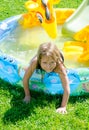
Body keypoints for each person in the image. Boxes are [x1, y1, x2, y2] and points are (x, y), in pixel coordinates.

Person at [23, 42, 70, 114]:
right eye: (45, 63)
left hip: (58, 55)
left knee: (62, 68)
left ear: (56, 61)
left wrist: (63, 106)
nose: (48, 66)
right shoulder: (36, 62)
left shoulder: (59, 66)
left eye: (52, 62)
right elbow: (25, 79)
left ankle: (53, 58)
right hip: (38, 58)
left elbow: (66, 87)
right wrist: (27, 95)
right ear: (40, 61)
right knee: (29, 66)